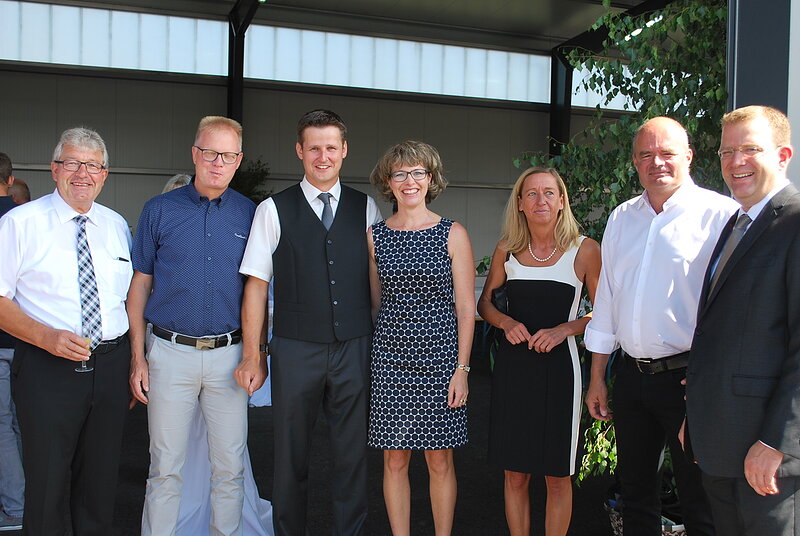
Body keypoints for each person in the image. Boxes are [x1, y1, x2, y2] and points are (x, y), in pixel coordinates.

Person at [584, 116, 737, 535]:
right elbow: (608, 305)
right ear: (634, 162)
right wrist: (598, 377)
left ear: (688, 157)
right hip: (632, 380)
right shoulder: (622, 218)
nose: (658, 163)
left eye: (667, 153)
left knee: (699, 498)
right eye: (646, 155)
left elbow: (732, 313)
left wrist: (711, 382)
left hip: (689, 381)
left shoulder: (720, 215)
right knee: (635, 494)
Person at [239, 109, 382, 536]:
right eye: (314, 147)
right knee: (289, 457)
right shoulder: (272, 209)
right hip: (295, 347)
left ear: (345, 151)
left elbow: (376, 279)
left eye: (331, 148)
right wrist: (254, 354)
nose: (323, 156)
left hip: (354, 345)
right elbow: (256, 286)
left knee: (352, 457)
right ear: (300, 151)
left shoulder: (366, 206)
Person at [128, 116, 257, 536]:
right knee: (165, 468)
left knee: (229, 469)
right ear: (194, 154)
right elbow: (140, 283)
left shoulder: (250, 214)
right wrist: (137, 358)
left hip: (229, 357)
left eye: (227, 155)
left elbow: (259, 291)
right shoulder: (159, 210)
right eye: (209, 152)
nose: (217, 162)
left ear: (238, 161)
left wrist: (257, 354)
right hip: (168, 354)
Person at [0, 127, 133, 535]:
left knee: (99, 483)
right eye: (73, 163)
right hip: (47, 367)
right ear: (55, 169)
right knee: (47, 484)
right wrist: (46, 338)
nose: (83, 174)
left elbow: (128, 300)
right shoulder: (20, 223)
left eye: (93, 166)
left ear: (105, 174)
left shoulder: (116, 225)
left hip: (110, 367)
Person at [685, 105, 800, 535]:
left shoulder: (795, 222)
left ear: (783, 155)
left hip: (766, 455)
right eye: (726, 151)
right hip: (721, 443)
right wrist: (694, 418)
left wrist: (777, 443)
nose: (735, 162)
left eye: (750, 149)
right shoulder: (736, 224)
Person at [478, 167, 601, 536]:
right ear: (519, 203)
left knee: (557, 475)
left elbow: (607, 313)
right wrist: (504, 323)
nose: (540, 200)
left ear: (562, 201)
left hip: (561, 373)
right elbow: (485, 304)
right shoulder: (507, 249)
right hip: (515, 372)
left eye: (549, 192)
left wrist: (566, 328)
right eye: (531, 194)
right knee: (515, 474)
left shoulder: (585, 250)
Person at [366, 141, 474, 536]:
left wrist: (461, 370)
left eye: (418, 173)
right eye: (399, 173)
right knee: (394, 460)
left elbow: (466, 309)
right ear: (388, 182)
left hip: (442, 360)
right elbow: (376, 305)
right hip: (391, 361)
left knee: (439, 460)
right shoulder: (375, 236)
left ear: (430, 179)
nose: (409, 181)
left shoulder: (452, 233)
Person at [0, 152, 23, 531]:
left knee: (2, 424)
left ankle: (16, 506)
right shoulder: (25, 218)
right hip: (28, 340)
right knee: (17, 423)